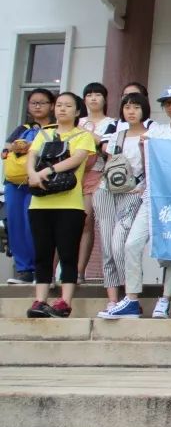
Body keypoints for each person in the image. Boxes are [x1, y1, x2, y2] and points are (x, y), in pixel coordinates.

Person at [107, 85, 171, 319]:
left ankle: (165, 299)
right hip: (153, 197)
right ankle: (131, 298)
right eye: (167, 103)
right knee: (132, 244)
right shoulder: (157, 131)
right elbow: (145, 160)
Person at [24, 92, 96, 318]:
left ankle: (65, 301)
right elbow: (31, 155)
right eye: (59, 105)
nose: (62, 109)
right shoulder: (44, 133)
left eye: (68, 106)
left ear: (77, 112)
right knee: (42, 253)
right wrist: (31, 174)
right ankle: (40, 299)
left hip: (70, 204)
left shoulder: (83, 135)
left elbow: (77, 159)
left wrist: (48, 170)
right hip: (40, 203)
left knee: (67, 253)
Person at [93, 92, 150, 317]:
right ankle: (113, 300)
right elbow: (110, 163)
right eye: (127, 107)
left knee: (120, 244)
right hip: (106, 192)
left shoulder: (151, 136)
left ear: (144, 110)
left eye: (136, 107)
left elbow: (151, 167)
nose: (131, 111)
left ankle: (130, 296)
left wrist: (144, 187)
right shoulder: (117, 135)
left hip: (133, 194)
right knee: (107, 247)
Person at [4, 90, 54, 285]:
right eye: (33, 103)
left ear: (51, 105)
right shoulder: (21, 128)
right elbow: (4, 152)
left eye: (42, 102)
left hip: (40, 182)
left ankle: (39, 271)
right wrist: (15, 148)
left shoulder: (55, 128)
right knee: (16, 226)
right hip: (15, 183)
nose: (37, 106)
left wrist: (33, 145)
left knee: (33, 226)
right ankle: (23, 270)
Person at [77, 82, 115, 283]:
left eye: (97, 95)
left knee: (86, 222)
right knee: (63, 223)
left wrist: (88, 135)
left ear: (105, 99)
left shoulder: (112, 122)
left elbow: (109, 146)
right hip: (71, 176)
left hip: (96, 173)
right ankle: (53, 271)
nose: (93, 98)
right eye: (89, 94)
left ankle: (79, 271)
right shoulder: (77, 120)